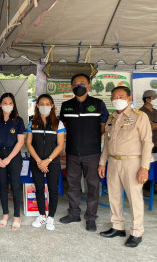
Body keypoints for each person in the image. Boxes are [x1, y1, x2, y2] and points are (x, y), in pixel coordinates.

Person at [98, 86, 153, 247]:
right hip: (113, 162)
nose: (117, 100)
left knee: (134, 199)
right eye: (114, 97)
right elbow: (107, 143)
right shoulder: (111, 117)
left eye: (121, 96)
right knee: (114, 196)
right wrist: (102, 162)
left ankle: (137, 232)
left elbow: (147, 142)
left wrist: (144, 167)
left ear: (129, 98)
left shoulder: (139, 116)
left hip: (133, 162)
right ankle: (117, 227)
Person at [59, 73, 109, 232]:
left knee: (93, 186)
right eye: (75, 84)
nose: (78, 86)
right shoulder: (66, 105)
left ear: (89, 86)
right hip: (72, 152)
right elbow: (64, 127)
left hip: (92, 153)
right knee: (73, 185)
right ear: (71, 87)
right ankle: (74, 213)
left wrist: (90, 139)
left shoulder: (98, 103)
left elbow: (103, 127)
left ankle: (91, 217)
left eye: (82, 83)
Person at [26, 94, 65, 231]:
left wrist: (47, 161)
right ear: (37, 106)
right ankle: (42, 215)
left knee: (53, 190)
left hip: (52, 162)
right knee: (40, 189)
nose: (44, 106)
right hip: (36, 162)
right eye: (41, 104)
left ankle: (51, 218)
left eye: (47, 104)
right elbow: (29, 144)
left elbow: (60, 145)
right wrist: (39, 161)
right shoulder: (33, 122)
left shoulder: (57, 123)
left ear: (52, 106)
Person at [0, 93, 25, 230]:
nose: (7, 105)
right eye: (5, 103)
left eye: (10, 103)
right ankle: (5, 214)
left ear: (14, 105)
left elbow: (20, 142)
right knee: (3, 186)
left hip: (14, 155)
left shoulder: (18, 120)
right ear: (0, 105)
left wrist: (9, 158)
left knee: (15, 186)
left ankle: (17, 215)